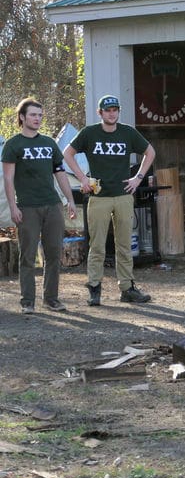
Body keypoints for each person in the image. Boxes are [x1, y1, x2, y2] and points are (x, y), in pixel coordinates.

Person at [63, 95, 156, 306]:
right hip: (98, 197)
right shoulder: (89, 133)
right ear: (100, 113)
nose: (112, 113)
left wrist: (138, 177)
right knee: (97, 246)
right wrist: (83, 178)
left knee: (124, 245)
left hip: (123, 195)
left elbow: (150, 152)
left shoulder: (127, 132)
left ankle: (127, 288)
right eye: (108, 110)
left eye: (115, 110)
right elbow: (67, 153)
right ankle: (94, 288)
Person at [2, 98, 87, 314]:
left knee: (53, 254)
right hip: (28, 207)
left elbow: (60, 173)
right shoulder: (13, 145)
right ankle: (27, 301)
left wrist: (69, 200)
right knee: (28, 256)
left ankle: (51, 299)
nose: (37, 119)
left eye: (40, 115)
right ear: (22, 117)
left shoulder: (49, 143)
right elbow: (9, 180)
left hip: (52, 205)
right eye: (33, 115)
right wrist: (13, 207)